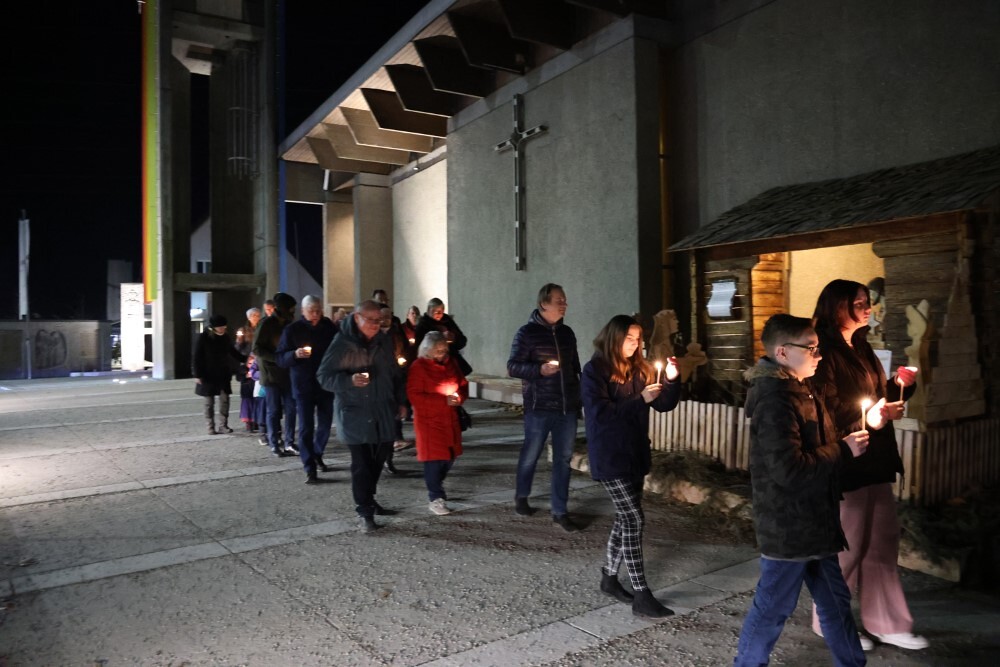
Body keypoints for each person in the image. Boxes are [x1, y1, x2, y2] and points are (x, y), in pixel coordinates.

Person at [734, 314, 869, 667]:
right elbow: (788, 470)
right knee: (772, 609)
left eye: (818, 347)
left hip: (816, 523)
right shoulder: (774, 401)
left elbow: (820, 437)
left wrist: (865, 424)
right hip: (789, 528)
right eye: (810, 348)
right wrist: (843, 450)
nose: (818, 355)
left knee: (836, 604)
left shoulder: (800, 388)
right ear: (782, 352)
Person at [809, 279, 927, 651]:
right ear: (837, 306)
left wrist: (898, 385)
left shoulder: (860, 346)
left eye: (866, 302)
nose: (867, 308)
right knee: (847, 549)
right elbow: (823, 411)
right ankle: (830, 621)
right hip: (846, 463)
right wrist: (869, 419)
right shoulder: (821, 351)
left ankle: (888, 622)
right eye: (859, 302)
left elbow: (873, 396)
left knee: (882, 544)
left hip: (875, 459)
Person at [581, 314, 681, 618]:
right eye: (629, 338)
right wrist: (640, 399)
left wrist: (672, 380)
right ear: (614, 337)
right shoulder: (595, 370)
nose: (635, 344)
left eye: (638, 339)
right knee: (634, 518)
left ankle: (609, 578)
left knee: (625, 519)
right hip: (610, 455)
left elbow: (663, 404)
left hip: (635, 453)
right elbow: (600, 414)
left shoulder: (641, 368)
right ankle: (641, 593)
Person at [317, 300, 408, 534]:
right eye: (371, 320)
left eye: (380, 320)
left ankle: (369, 498)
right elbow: (324, 376)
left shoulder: (384, 341)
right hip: (355, 412)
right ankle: (364, 510)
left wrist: (401, 401)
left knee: (379, 459)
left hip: (383, 410)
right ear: (357, 318)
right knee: (362, 464)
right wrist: (349, 381)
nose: (376, 325)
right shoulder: (342, 343)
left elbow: (395, 374)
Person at [507, 283, 583, 530]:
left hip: (565, 408)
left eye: (565, 300)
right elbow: (513, 367)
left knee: (563, 459)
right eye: (559, 300)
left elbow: (574, 368)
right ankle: (522, 495)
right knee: (531, 454)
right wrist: (539, 370)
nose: (564, 304)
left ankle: (560, 511)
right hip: (539, 406)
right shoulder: (526, 333)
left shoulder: (567, 333)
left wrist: (579, 398)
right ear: (544, 304)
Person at [277, 295, 338, 484]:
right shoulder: (292, 330)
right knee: (306, 427)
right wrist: (294, 354)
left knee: (326, 424)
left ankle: (317, 453)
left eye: (318, 310)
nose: (316, 314)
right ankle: (309, 466)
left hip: (325, 384)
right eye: (311, 310)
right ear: (303, 311)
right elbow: (280, 358)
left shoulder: (329, 328)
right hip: (303, 385)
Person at [407, 332, 468, 515]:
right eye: (438, 350)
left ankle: (435, 484)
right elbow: (414, 395)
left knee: (449, 457)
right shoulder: (419, 367)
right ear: (428, 350)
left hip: (450, 419)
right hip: (429, 422)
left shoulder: (451, 363)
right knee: (434, 460)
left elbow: (463, 384)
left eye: (444, 349)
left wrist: (459, 397)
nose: (442, 353)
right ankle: (436, 496)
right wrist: (443, 401)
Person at [253, 292, 299, 458]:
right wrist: (276, 358)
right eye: (291, 309)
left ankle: (289, 442)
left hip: (287, 372)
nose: (293, 312)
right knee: (273, 410)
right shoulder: (266, 324)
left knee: (291, 408)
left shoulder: (289, 324)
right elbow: (257, 348)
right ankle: (274, 443)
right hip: (271, 374)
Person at [193, 315, 244, 435]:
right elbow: (197, 356)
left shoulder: (225, 337)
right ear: (214, 327)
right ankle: (210, 426)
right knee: (209, 402)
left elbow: (233, 351)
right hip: (208, 374)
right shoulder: (204, 337)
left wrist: (245, 359)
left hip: (223, 373)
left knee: (225, 400)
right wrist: (197, 374)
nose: (223, 329)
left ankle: (223, 425)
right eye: (220, 327)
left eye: (224, 327)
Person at [379, 305, 411, 473]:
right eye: (382, 317)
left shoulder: (397, 333)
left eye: (388, 317)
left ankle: (388, 459)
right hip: (379, 385)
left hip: (395, 381)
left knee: (392, 424)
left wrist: (402, 363)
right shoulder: (374, 335)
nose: (385, 320)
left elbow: (406, 351)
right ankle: (380, 458)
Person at [414, 298, 472, 376]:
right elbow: (420, 348)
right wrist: (440, 338)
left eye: (441, 311)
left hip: (452, 362)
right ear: (429, 310)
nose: (439, 314)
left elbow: (462, 340)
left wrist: (454, 338)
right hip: (432, 365)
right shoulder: (423, 325)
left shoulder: (447, 321)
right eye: (435, 311)